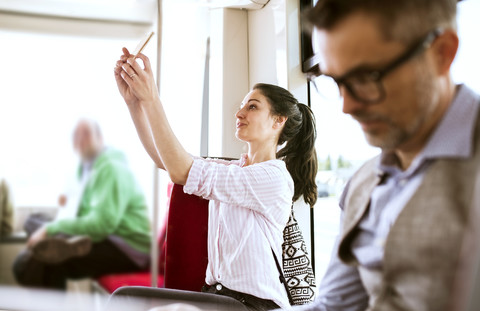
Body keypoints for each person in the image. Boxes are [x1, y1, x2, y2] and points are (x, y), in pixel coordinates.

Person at [296, 0, 480, 310]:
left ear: (442, 53)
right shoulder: (362, 184)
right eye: (335, 81)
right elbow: (335, 306)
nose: (347, 106)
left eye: (367, 78)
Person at [114, 48, 318, 310]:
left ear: (279, 120)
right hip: (219, 297)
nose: (239, 113)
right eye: (242, 106)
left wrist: (151, 98)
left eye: (252, 106)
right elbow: (164, 159)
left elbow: (180, 170)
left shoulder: (273, 177)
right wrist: (134, 103)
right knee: (127, 298)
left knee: (127, 299)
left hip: (252, 304)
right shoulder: (234, 170)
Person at [13, 119, 151, 289]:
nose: (80, 139)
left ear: (100, 139)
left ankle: (60, 244)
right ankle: (62, 241)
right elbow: (81, 214)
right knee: (33, 219)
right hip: (105, 237)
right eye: (76, 135)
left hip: (126, 247)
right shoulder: (87, 170)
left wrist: (50, 229)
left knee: (45, 263)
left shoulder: (111, 168)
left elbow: (101, 225)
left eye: (86, 133)